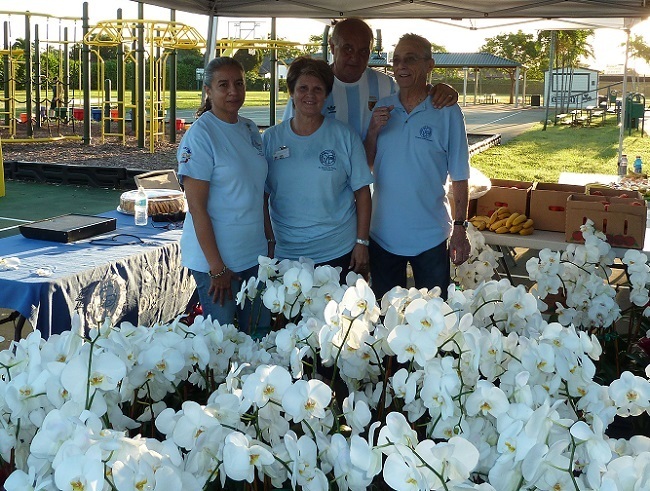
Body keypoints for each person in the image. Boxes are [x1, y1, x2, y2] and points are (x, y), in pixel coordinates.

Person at [364, 33, 471, 300]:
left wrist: (460, 227)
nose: (401, 66)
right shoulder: (383, 108)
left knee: (435, 319)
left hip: (431, 236)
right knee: (385, 318)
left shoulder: (446, 110)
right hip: (383, 236)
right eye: (396, 60)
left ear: (429, 65)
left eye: (410, 59)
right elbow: (365, 165)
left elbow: (460, 174)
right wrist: (374, 130)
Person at [176, 56, 272, 336]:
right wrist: (217, 269)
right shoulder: (201, 136)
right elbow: (197, 208)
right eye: (223, 85)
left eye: (239, 83)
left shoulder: (250, 128)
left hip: (253, 255)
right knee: (224, 341)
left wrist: (269, 240)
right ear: (208, 90)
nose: (233, 91)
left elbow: (259, 192)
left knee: (258, 332)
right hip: (218, 264)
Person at [263, 57, 373, 277]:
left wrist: (362, 242)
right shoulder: (271, 139)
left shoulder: (344, 136)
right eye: (302, 88)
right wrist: (269, 240)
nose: (310, 95)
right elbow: (261, 196)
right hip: (287, 253)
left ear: (326, 94)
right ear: (291, 93)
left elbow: (362, 193)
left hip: (337, 249)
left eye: (318, 89)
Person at [282, 17, 459, 139]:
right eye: (348, 49)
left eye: (363, 51)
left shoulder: (386, 85)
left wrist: (439, 89)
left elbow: (415, 95)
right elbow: (290, 134)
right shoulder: (310, 90)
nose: (355, 57)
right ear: (332, 47)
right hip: (324, 188)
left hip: (371, 186)